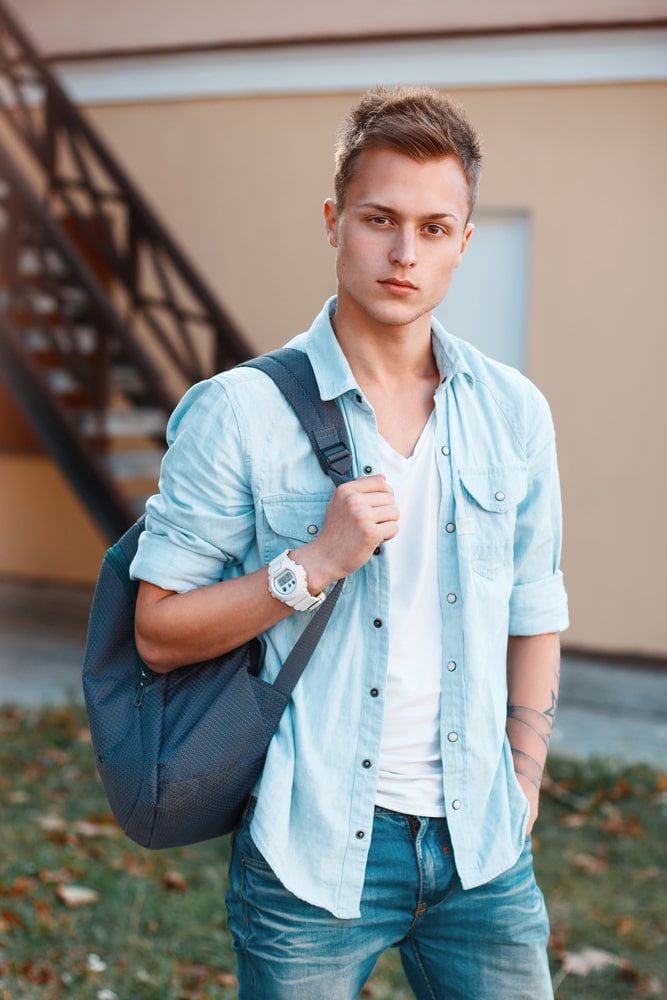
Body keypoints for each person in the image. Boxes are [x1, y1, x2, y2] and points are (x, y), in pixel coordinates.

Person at [130, 85, 568, 1000]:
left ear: (463, 242)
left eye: (434, 227)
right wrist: (311, 566)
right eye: (379, 219)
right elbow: (157, 631)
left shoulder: (513, 412)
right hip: (312, 853)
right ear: (334, 221)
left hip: (483, 853)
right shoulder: (239, 412)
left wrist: (523, 775)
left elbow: (534, 606)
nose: (404, 253)